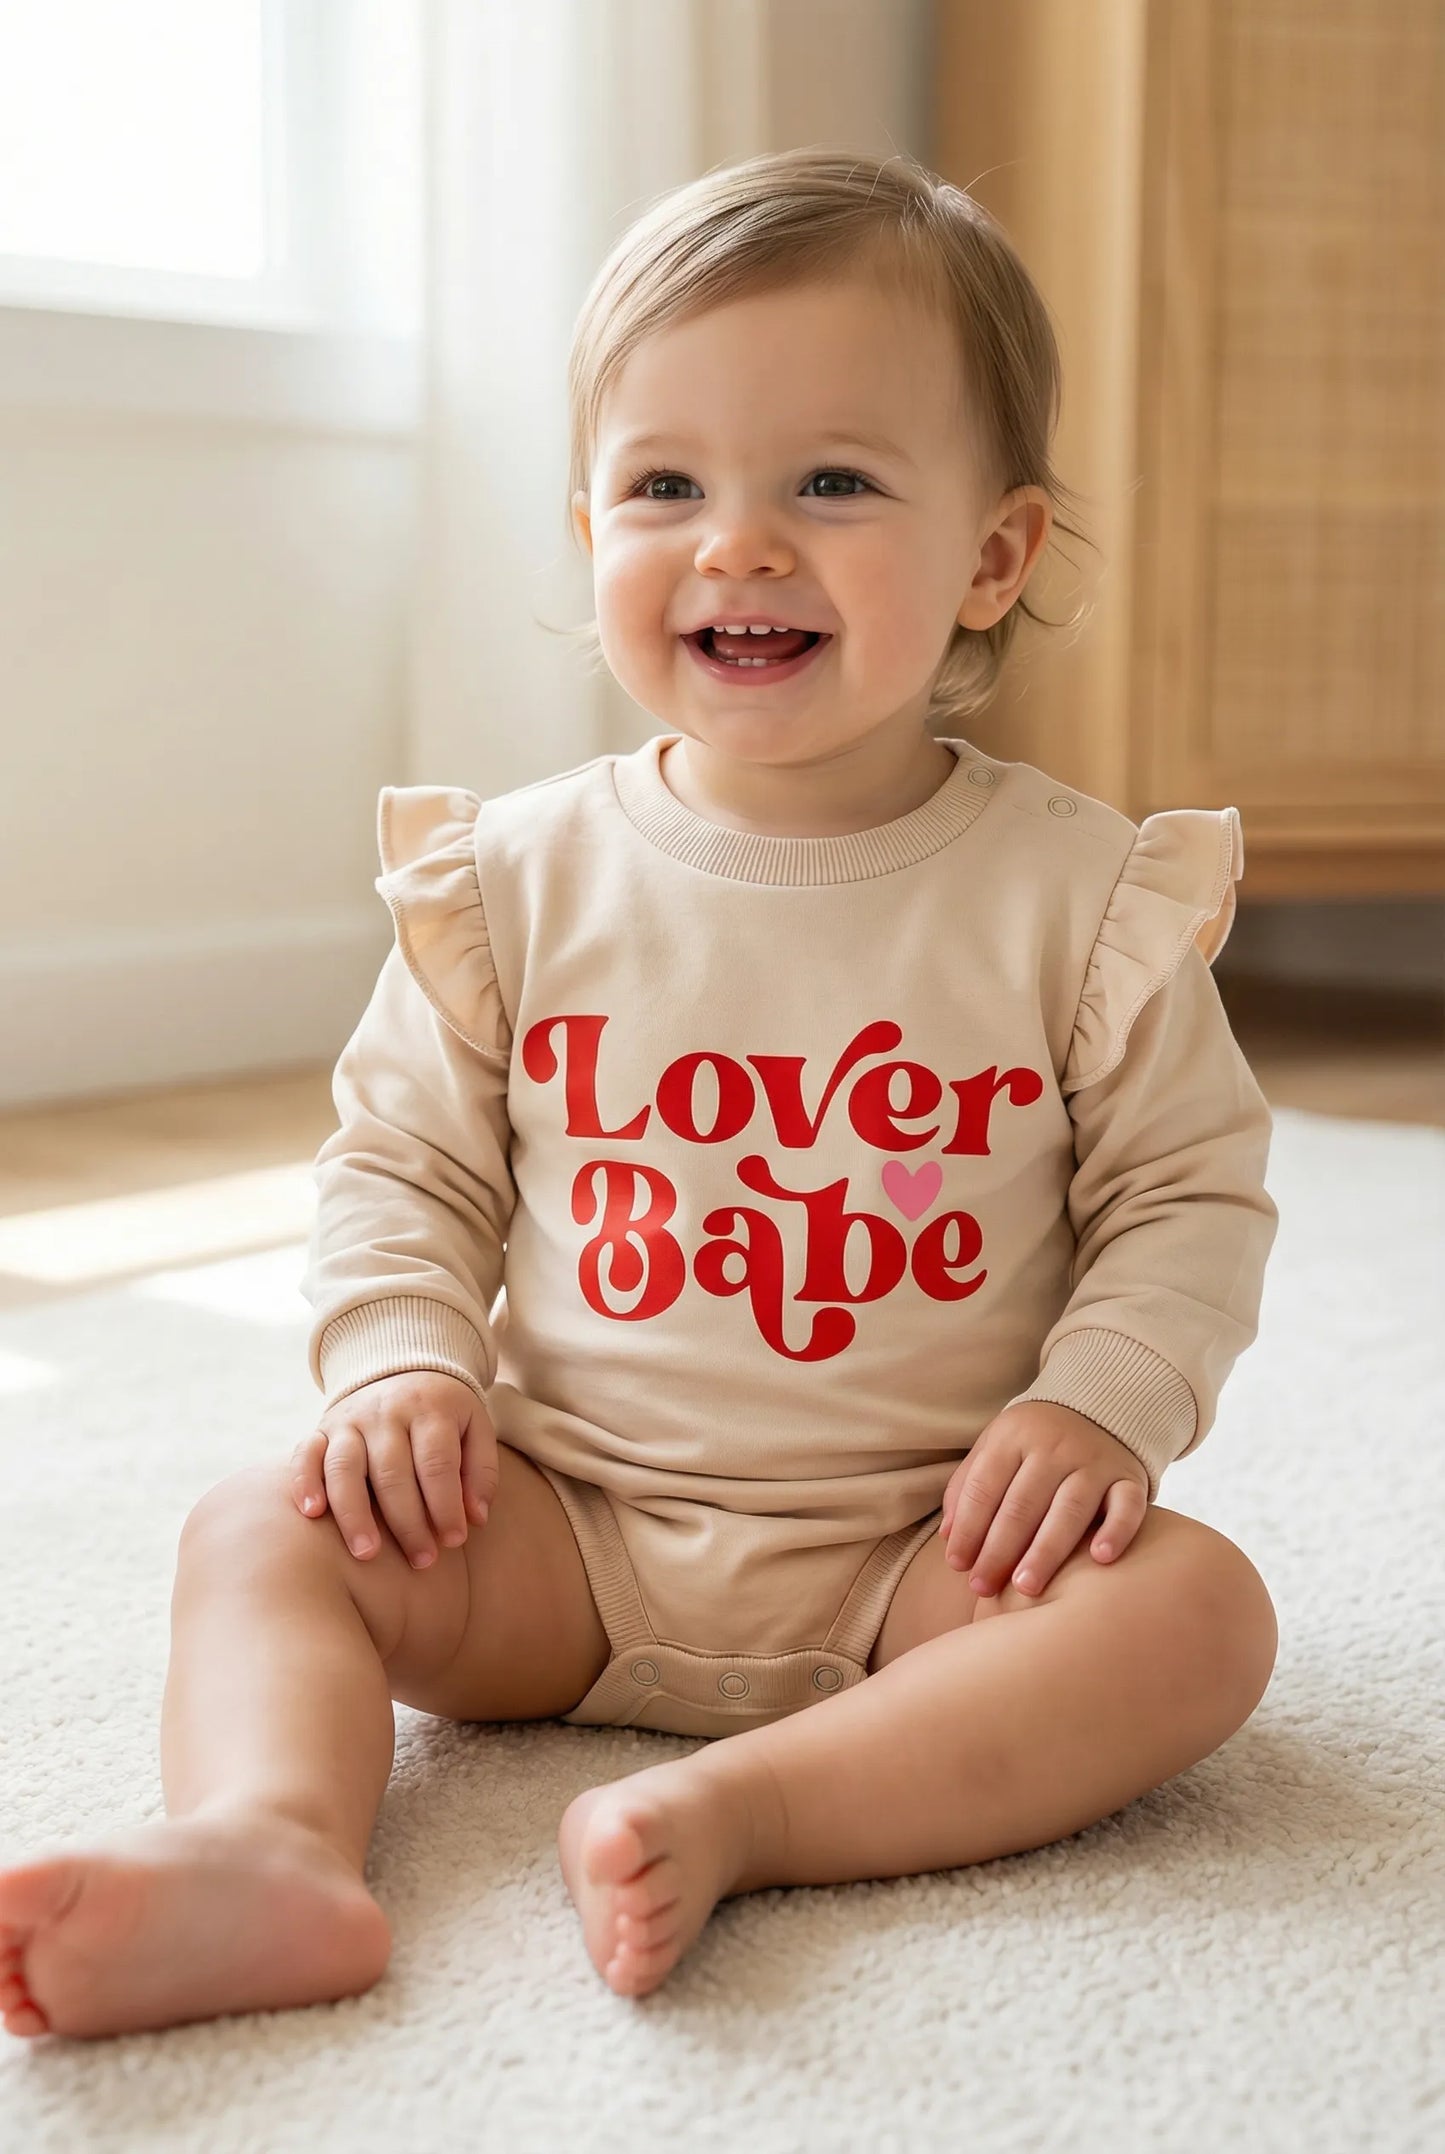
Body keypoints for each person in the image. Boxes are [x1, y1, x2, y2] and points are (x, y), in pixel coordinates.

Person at [0, 148, 1280, 2040]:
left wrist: (1098, 1402)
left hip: (928, 1553)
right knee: (257, 1522)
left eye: (830, 482)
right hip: (556, 1529)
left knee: (1197, 1613)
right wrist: (401, 1365)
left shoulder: (1078, 897)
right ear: (588, 521)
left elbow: (1187, 1193)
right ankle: (267, 1842)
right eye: (666, 486)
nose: (736, 545)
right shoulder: (511, 879)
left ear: (993, 557)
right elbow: (401, 1166)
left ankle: (760, 1807)